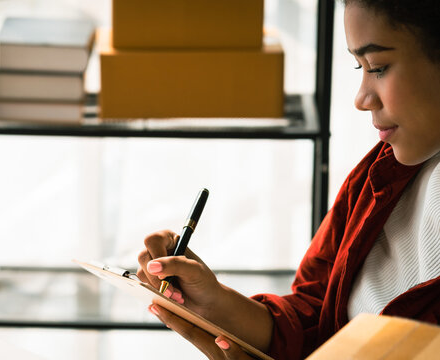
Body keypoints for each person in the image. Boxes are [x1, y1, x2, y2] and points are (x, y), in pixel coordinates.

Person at [136, 1, 440, 359]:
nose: (361, 99)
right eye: (360, 67)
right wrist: (213, 301)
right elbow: (314, 317)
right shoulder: (377, 177)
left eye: (378, 67)